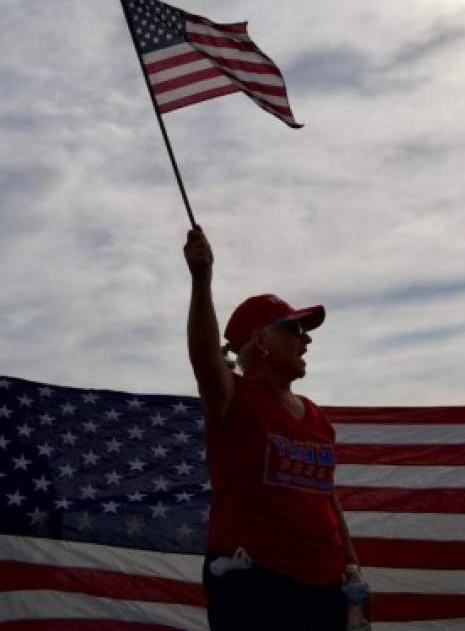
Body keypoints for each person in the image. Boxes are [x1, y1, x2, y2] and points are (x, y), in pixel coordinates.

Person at [184, 226, 364, 631]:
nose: (307, 342)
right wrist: (201, 282)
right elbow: (203, 358)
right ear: (262, 341)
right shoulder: (233, 398)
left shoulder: (317, 418)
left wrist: (352, 568)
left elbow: (327, 501)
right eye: (296, 330)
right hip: (254, 584)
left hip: (325, 589)